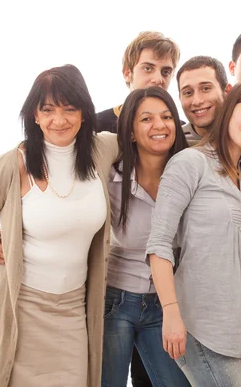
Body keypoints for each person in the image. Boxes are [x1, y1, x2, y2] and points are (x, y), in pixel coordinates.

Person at [0, 64, 119, 387]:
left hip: (73, 313)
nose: (59, 120)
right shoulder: (12, 164)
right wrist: (1, 277)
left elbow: (145, 123)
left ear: (85, 113)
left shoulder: (101, 151)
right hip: (21, 314)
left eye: (70, 109)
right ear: (35, 116)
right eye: (49, 110)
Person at [147, 80, 241, 386]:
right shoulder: (190, 163)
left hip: (237, 329)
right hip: (197, 326)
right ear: (231, 108)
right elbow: (159, 244)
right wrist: (171, 313)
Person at [100, 87, 190, 386]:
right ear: (131, 132)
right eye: (147, 119)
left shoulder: (188, 178)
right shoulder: (111, 180)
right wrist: (1, 232)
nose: (160, 125)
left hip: (166, 302)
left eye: (167, 117)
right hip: (116, 299)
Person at [97, 31, 180, 133]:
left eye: (166, 72)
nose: (158, 79)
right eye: (148, 68)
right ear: (127, 73)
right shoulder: (96, 126)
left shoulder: (179, 130)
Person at [177, 56, 231, 145]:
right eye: (188, 92)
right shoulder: (172, 145)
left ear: (227, 91)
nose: (197, 101)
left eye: (205, 88)